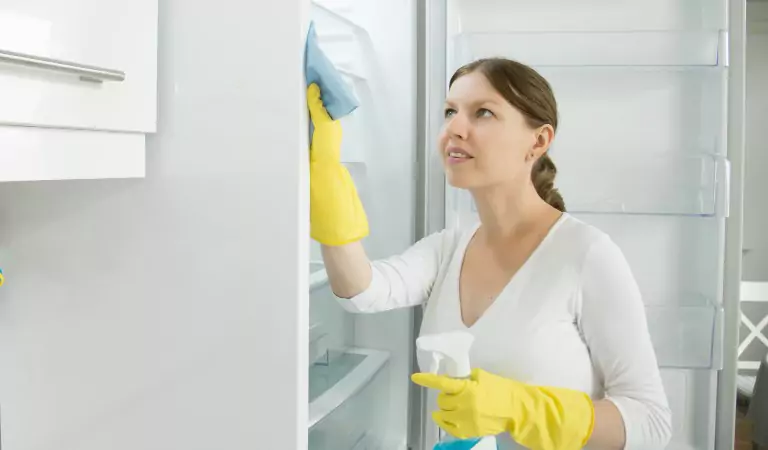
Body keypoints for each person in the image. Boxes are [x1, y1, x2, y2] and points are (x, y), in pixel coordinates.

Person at [307, 57, 673, 450]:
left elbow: (651, 422)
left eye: (482, 113)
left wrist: (524, 408)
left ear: (538, 141)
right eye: (450, 112)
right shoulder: (449, 248)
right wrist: (327, 173)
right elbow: (362, 291)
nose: (454, 129)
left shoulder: (586, 254)